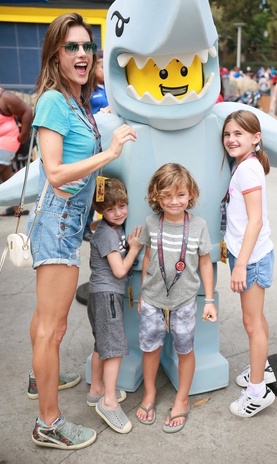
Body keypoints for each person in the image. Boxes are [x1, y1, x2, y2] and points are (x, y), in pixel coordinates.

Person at [26, 12, 137, 450]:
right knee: (52, 330)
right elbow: (54, 172)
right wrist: (109, 152)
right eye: (71, 47)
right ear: (55, 54)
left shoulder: (77, 101)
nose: (81, 54)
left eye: (86, 46)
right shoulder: (54, 100)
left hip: (68, 222)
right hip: (57, 222)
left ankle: (40, 380)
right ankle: (48, 424)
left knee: (44, 322)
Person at [135, 163, 217, 433]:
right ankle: (149, 394)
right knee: (150, 348)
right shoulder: (150, 223)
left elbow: (205, 263)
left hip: (185, 300)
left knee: (185, 349)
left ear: (190, 194)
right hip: (152, 299)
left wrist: (209, 300)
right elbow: (148, 257)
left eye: (180, 195)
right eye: (167, 195)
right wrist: (142, 294)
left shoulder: (199, 226)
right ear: (156, 196)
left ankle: (182, 399)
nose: (174, 201)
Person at [221, 109, 276, 418]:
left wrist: (240, 264)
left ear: (256, 138)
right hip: (252, 252)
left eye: (238, 134)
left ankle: (257, 391)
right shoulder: (245, 164)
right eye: (228, 134)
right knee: (256, 319)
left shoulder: (247, 169)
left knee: (251, 323)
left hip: (251, 257)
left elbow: (254, 220)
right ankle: (263, 367)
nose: (231, 139)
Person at [87, 178, 142, 433]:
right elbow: (119, 270)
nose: (118, 213)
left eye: (122, 206)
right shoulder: (108, 233)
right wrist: (134, 248)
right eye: (111, 209)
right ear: (102, 210)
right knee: (115, 348)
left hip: (99, 295)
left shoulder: (107, 227)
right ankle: (108, 402)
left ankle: (96, 389)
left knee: (102, 344)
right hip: (107, 295)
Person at [83, 49, 109, 241]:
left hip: (111, 145)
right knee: (92, 184)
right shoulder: (89, 91)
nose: (104, 69)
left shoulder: (112, 89)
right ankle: (85, 225)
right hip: (95, 146)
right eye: (101, 65)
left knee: (105, 185)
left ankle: (106, 221)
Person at [0, 87, 32, 216]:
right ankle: (17, 208)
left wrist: (23, 135)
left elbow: (27, 111)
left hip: (8, 142)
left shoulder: (5, 97)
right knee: (7, 177)